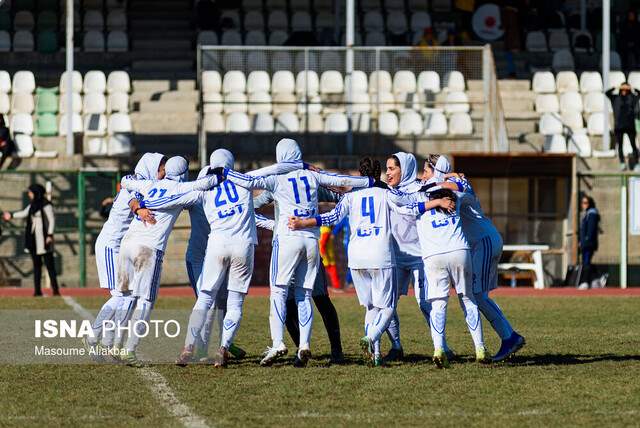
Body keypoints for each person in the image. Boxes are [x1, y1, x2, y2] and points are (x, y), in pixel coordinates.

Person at [217, 138, 376, 367]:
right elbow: (336, 191)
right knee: (307, 299)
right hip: (309, 241)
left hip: (286, 244)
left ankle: (324, 348)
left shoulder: (275, 179)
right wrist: (366, 185)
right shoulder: (309, 177)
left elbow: (251, 199)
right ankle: (304, 349)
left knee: (295, 298)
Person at [174, 148, 305, 367]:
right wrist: (301, 166)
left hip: (216, 244)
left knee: (205, 298)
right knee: (235, 302)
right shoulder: (244, 180)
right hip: (243, 246)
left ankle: (188, 346)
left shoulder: (203, 186)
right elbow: (274, 169)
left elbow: (177, 192)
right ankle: (223, 348)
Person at [115, 156, 222, 366]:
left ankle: (115, 344)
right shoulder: (182, 190)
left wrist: (137, 207)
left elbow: (125, 181)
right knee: (146, 301)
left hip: (126, 244)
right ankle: (129, 350)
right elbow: (205, 187)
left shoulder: (149, 184)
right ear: (183, 174)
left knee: (126, 297)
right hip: (148, 249)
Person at [428, 155, 526, 362]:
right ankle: (509, 337)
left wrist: (433, 181)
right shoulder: (450, 182)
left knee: (478, 295)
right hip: (482, 242)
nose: (424, 176)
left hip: (484, 241)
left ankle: (510, 337)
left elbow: (451, 185)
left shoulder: (456, 183)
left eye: (427, 170)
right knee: (479, 295)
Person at [390, 185, 486, 369]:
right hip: (460, 251)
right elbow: (469, 192)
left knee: (438, 304)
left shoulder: (419, 201)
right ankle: (480, 349)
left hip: (434, 256)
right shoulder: (455, 198)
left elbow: (400, 206)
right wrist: (452, 183)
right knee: (468, 299)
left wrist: (431, 200)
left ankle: (438, 349)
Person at [84, 152, 165, 355]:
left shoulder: (142, 185)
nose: (163, 173)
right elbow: (132, 202)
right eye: (161, 168)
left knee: (125, 297)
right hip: (111, 245)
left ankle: (108, 342)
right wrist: (139, 211)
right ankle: (93, 336)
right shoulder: (135, 183)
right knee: (121, 296)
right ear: (150, 168)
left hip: (120, 247)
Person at [3, 184, 60, 296]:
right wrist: (11, 215)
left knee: (50, 266)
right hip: (34, 239)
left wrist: (49, 235)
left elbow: (51, 220)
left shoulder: (46, 205)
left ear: (36, 193)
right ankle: (37, 291)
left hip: (44, 239)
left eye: (30, 192)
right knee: (36, 266)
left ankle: (56, 291)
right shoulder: (33, 205)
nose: (29, 194)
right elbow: (24, 213)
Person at [605, 82, 640, 171]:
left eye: (626, 89)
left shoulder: (632, 98)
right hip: (619, 127)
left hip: (630, 126)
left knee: (633, 145)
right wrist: (616, 86)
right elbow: (607, 93)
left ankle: (636, 164)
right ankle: (622, 163)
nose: (624, 91)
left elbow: (639, 94)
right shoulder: (615, 98)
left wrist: (631, 87)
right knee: (619, 146)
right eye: (623, 89)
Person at [578, 195, 602, 290]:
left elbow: (591, 230)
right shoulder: (587, 214)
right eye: (583, 203)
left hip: (589, 244)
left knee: (586, 262)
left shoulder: (592, 214)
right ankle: (596, 280)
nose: (584, 205)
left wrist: (587, 240)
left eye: (586, 203)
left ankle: (585, 282)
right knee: (586, 262)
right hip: (585, 243)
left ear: (590, 203)